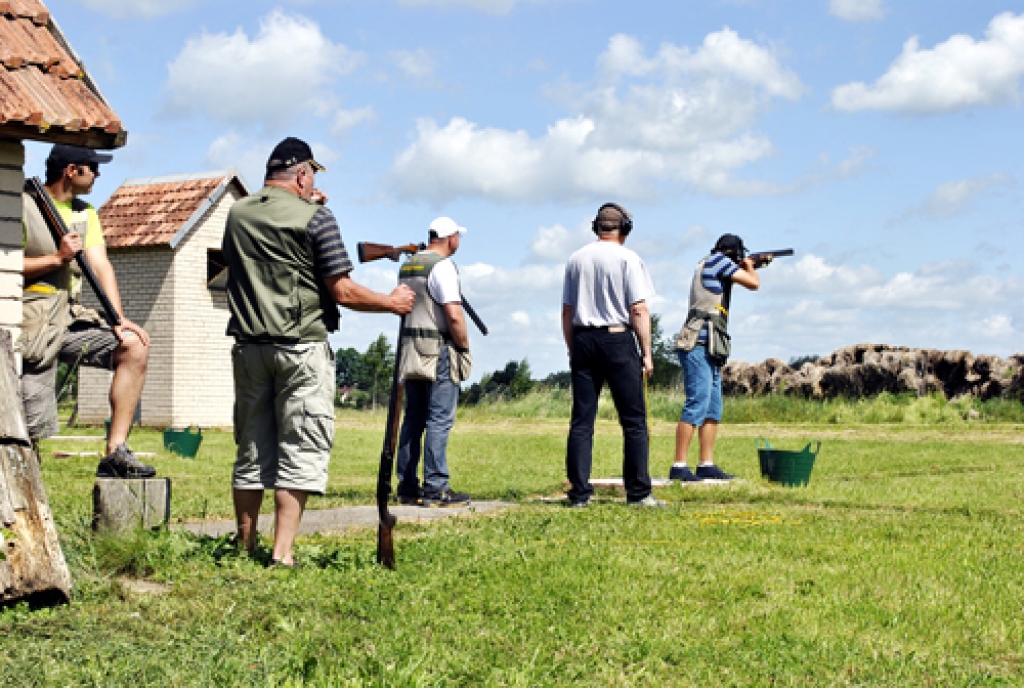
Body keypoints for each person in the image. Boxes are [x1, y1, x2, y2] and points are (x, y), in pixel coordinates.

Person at [224, 137, 414, 567]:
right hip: (301, 347)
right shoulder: (317, 218)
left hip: (250, 347)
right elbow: (342, 289)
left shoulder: (236, 214)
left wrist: (308, 205)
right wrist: (391, 302)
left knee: (252, 449)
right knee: (300, 446)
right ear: (304, 174)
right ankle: (282, 553)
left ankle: (244, 548)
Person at [20, 144, 154, 479]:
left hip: (69, 318)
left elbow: (101, 265)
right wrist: (56, 259)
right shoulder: (22, 205)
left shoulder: (86, 213)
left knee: (133, 347)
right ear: (72, 170)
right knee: (29, 423)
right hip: (30, 324)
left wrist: (119, 320)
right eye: (93, 167)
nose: (98, 175)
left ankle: (116, 451)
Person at [562, 203, 662, 508]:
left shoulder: (576, 259)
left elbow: (567, 311)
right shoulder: (629, 259)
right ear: (625, 229)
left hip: (582, 338)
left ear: (597, 227)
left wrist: (572, 348)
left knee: (582, 421)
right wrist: (647, 352)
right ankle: (639, 492)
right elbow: (639, 309)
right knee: (633, 421)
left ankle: (579, 493)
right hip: (618, 338)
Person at [395, 217, 474, 508]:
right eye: (458, 236)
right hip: (438, 347)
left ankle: (406, 485)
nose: (458, 242)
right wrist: (463, 346)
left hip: (411, 348)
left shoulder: (409, 264)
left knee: (413, 418)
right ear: (450, 237)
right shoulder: (443, 266)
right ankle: (436, 486)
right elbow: (453, 313)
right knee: (439, 418)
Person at [670, 234, 762, 482]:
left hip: (710, 345)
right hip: (698, 343)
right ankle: (679, 466)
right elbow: (754, 283)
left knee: (713, 408)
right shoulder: (719, 262)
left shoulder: (712, 262)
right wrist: (751, 266)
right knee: (697, 403)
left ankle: (705, 464)